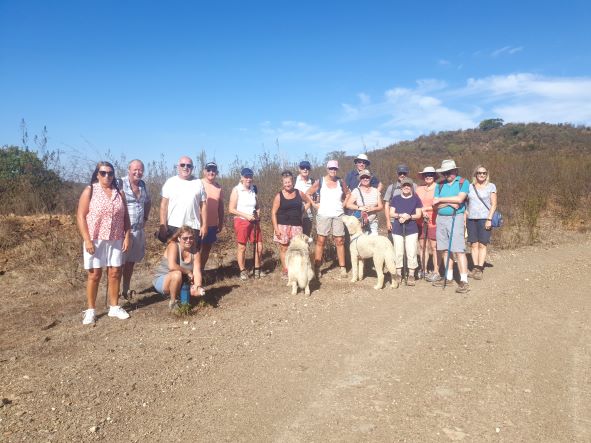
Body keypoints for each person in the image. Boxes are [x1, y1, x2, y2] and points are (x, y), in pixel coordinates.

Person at [76, 161, 131, 325]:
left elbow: (126, 217)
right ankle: (91, 310)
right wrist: (87, 239)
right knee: (94, 274)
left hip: (115, 238)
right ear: (97, 174)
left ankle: (114, 307)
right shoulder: (90, 190)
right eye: (103, 173)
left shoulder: (119, 193)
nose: (107, 176)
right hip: (95, 238)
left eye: (110, 173)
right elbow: (80, 216)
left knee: (115, 272)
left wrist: (127, 236)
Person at [306, 160, 351, 278]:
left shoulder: (341, 182)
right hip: (323, 214)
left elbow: (348, 194)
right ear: (327, 169)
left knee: (339, 240)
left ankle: (342, 267)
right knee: (321, 240)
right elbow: (308, 193)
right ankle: (317, 267)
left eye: (335, 169)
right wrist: (314, 204)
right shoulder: (320, 182)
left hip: (338, 215)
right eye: (331, 168)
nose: (333, 171)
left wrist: (344, 204)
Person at [432, 159, 471, 293]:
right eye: (445, 172)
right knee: (444, 249)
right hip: (441, 218)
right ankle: (448, 278)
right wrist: (449, 203)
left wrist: (442, 200)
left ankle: (464, 280)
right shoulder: (439, 185)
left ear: (455, 170)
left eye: (450, 171)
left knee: (459, 250)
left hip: (457, 217)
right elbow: (434, 205)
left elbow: (460, 200)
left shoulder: (463, 182)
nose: (447, 174)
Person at [271, 171, 315, 278]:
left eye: (289, 182)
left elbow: (309, 201)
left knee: (297, 248)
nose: (287, 184)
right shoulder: (279, 196)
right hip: (283, 226)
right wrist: (276, 229)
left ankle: (298, 270)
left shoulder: (299, 193)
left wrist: (302, 211)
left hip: (297, 226)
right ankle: (286, 271)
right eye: (285, 182)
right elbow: (273, 213)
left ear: (293, 181)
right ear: (283, 183)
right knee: (284, 248)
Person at [153, 225, 205, 310]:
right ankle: (173, 302)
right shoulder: (173, 246)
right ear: (179, 238)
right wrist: (188, 272)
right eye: (185, 238)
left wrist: (198, 286)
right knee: (177, 274)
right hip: (163, 279)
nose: (188, 240)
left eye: (191, 238)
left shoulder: (195, 253)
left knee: (195, 290)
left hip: (182, 279)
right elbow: (172, 266)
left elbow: (197, 272)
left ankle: (184, 301)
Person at [120, 159, 151, 300]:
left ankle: (125, 290)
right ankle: (114, 294)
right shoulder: (119, 183)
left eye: (140, 170)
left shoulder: (143, 185)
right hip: (122, 231)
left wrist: (145, 218)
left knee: (130, 262)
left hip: (138, 230)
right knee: (118, 263)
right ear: (129, 169)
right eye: (135, 169)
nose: (138, 172)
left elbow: (148, 201)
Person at [158, 156, 207, 244]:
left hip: (193, 226)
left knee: (192, 255)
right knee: (173, 254)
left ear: (193, 168)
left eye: (189, 165)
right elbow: (163, 206)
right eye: (182, 165)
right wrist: (163, 225)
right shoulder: (170, 182)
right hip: (173, 225)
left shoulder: (199, 183)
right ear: (178, 166)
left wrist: (204, 226)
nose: (185, 167)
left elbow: (203, 206)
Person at [228, 168, 263, 280]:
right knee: (242, 247)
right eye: (246, 176)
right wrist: (246, 216)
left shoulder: (253, 189)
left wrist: (258, 213)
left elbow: (257, 206)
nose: (248, 179)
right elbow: (231, 209)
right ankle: (242, 270)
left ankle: (257, 269)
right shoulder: (236, 190)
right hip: (241, 221)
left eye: (250, 177)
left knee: (259, 245)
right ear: (242, 177)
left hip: (254, 221)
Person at [388, 178, 423, 286]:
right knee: (398, 251)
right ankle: (399, 274)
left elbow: (418, 215)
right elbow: (391, 213)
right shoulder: (396, 198)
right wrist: (400, 215)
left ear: (411, 186)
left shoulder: (416, 199)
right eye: (404, 185)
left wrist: (409, 216)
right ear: (401, 187)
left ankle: (411, 274)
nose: (406, 187)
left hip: (411, 229)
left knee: (411, 251)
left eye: (408, 185)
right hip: (398, 228)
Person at [466, 165, 497, 280]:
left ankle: (479, 268)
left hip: (485, 218)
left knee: (482, 244)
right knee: (473, 244)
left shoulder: (491, 186)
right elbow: (465, 202)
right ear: (475, 174)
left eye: (484, 173)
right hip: (471, 219)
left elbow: (494, 204)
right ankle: (474, 267)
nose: (482, 175)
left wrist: (489, 219)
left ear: (487, 174)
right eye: (479, 173)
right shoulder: (469, 186)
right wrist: (466, 213)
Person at [415, 166, 440, 281]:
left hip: (434, 221)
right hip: (420, 221)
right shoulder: (419, 189)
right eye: (426, 175)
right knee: (422, 245)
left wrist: (425, 209)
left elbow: (439, 205)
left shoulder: (439, 188)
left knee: (434, 247)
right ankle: (423, 269)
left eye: (430, 174)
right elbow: (415, 204)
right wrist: (421, 211)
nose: (428, 176)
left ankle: (436, 271)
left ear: (434, 176)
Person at [200, 161, 224, 272]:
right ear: (204, 171)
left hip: (212, 224)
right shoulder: (198, 184)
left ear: (216, 172)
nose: (211, 172)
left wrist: (220, 223)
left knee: (206, 248)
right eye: (208, 170)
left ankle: (201, 270)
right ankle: (190, 274)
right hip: (198, 224)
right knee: (194, 249)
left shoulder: (218, 187)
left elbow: (221, 207)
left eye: (213, 170)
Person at [344, 169, 383, 235]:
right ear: (360, 179)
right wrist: (360, 208)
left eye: (367, 177)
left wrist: (373, 208)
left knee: (373, 243)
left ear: (370, 178)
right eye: (363, 177)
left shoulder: (376, 191)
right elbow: (348, 204)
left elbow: (381, 207)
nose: (365, 179)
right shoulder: (356, 191)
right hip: (360, 224)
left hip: (373, 223)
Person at [294, 160, 315, 236]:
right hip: (295, 215)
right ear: (299, 169)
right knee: (295, 240)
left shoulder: (313, 182)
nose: (305, 169)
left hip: (308, 216)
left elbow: (316, 199)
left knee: (306, 239)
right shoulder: (294, 180)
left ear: (309, 170)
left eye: (307, 167)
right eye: (303, 167)